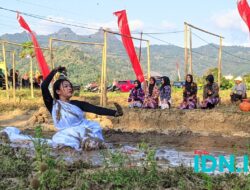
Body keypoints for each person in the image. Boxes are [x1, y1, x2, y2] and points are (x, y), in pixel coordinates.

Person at [0, 66, 123, 151]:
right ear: (58, 91)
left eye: (70, 86)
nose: (70, 88)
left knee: (91, 143)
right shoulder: (53, 105)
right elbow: (43, 87)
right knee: (64, 145)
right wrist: (54, 71)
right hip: (66, 134)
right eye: (66, 86)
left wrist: (115, 113)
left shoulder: (77, 104)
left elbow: (95, 109)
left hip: (84, 130)